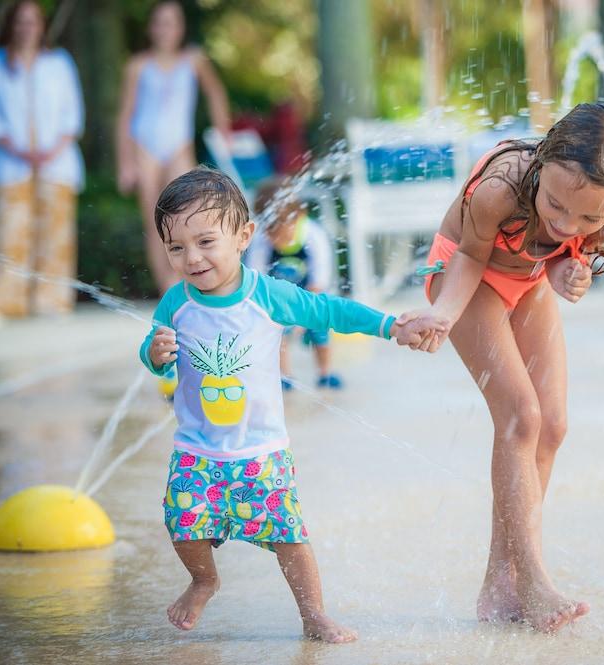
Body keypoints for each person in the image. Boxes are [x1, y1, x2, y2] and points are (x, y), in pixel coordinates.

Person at [139, 167, 441, 641]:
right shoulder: (175, 303)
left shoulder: (267, 295)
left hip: (261, 452)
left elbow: (330, 311)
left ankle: (313, 613)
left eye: (205, 242)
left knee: (289, 538)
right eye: (176, 247)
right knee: (182, 526)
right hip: (196, 450)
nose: (192, 258)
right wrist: (155, 355)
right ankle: (204, 578)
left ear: (243, 237)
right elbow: (155, 357)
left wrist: (390, 325)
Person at [400, 103, 604, 633]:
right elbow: (469, 255)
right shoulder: (501, 187)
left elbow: (559, 252)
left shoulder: (603, 207)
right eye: (556, 205)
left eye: (588, 218)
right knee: (519, 416)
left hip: (526, 278)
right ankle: (533, 575)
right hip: (466, 273)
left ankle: (500, 579)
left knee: (552, 425)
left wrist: (567, 272)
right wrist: (444, 313)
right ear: (544, 160)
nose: (566, 223)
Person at [117, 0, 232, 294]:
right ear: (151, 28)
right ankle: (166, 286)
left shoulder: (193, 60)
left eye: (172, 22)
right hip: (145, 145)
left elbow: (216, 92)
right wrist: (125, 163)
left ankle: (188, 280)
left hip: (178, 145)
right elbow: (126, 115)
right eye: (160, 23)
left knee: (184, 213)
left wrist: (224, 131)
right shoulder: (138, 65)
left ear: (181, 27)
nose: (165, 29)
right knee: (154, 218)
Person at [0, 0, 84, 321]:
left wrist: (50, 150)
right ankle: (3, 302)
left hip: (57, 163)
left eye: (33, 22)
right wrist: (21, 150)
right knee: (10, 232)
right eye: (20, 22)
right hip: (11, 165)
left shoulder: (59, 63)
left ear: (41, 26)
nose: (26, 28)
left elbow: (73, 114)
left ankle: (51, 302)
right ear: (11, 26)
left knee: (55, 235)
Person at [245, 179, 343, 390]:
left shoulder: (313, 235)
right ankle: (284, 375)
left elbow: (319, 282)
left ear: (297, 217)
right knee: (276, 331)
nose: (277, 238)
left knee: (321, 328)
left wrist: (301, 318)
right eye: (272, 233)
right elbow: (256, 279)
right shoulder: (261, 239)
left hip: (313, 296)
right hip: (279, 300)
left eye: (281, 232)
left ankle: (325, 372)